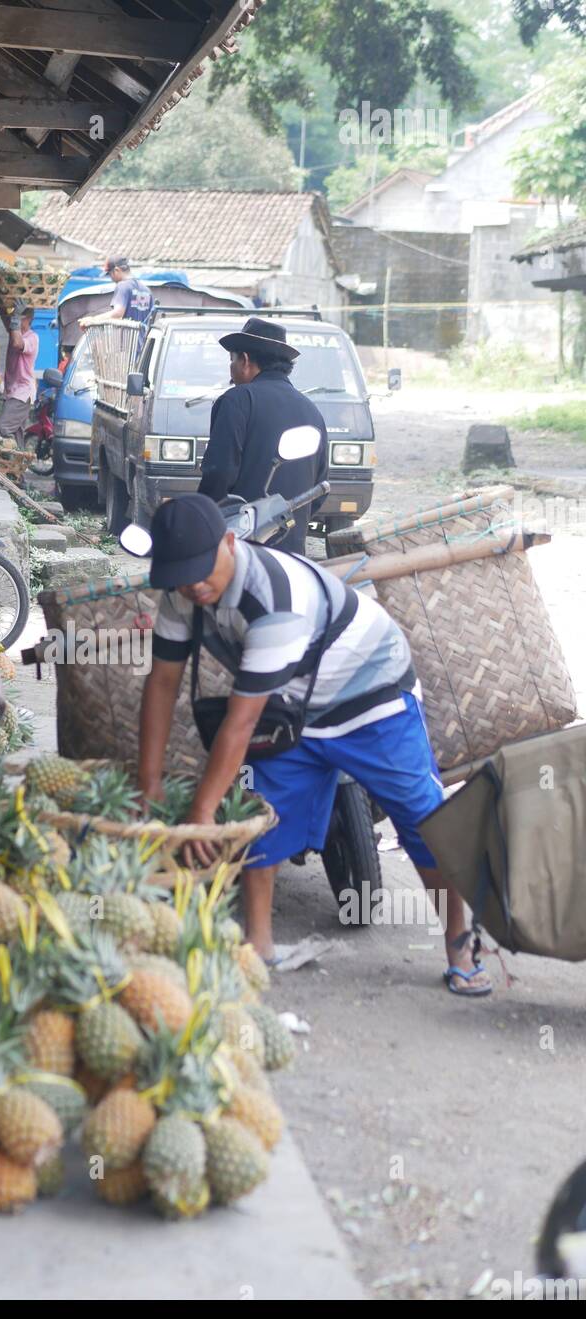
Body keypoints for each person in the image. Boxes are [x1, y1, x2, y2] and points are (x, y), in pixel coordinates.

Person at [137, 492, 491, 997]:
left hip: (372, 699)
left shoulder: (275, 599)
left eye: (200, 568)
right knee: (262, 816)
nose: (193, 584)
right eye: (180, 572)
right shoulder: (180, 593)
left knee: (426, 822)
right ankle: (259, 946)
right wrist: (147, 780)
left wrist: (200, 813)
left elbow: (239, 726)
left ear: (230, 543)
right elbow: (163, 682)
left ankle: (460, 946)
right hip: (293, 705)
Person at [197, 317, 327, 556]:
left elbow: (218, 474)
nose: (231, 369)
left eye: (232, 360)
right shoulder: (312, 411)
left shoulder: (236, 400)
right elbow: (318, 490)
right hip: (292, 551)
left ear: (245, 360)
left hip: (240, 549)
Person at [79, 255, 154, 340]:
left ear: (116, 270)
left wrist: (92, 320)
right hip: (144, 348)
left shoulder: (123, 286)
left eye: (110, 274)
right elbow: (151, 318)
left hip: (127, 346)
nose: (111, 279)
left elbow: (117, 314)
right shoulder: (146, 290)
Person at [0, 303, 38, 447]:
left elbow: (17, 343)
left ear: (27, 320)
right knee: (16, 434)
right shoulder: (15, 331)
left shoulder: (32, 337)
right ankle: (17, 465)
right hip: (12, 392)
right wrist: (0, 304)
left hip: (22, 393)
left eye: (20, 318)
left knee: (1, 428)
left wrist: (15, 319)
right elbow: (8, 322)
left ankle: (11, 456)